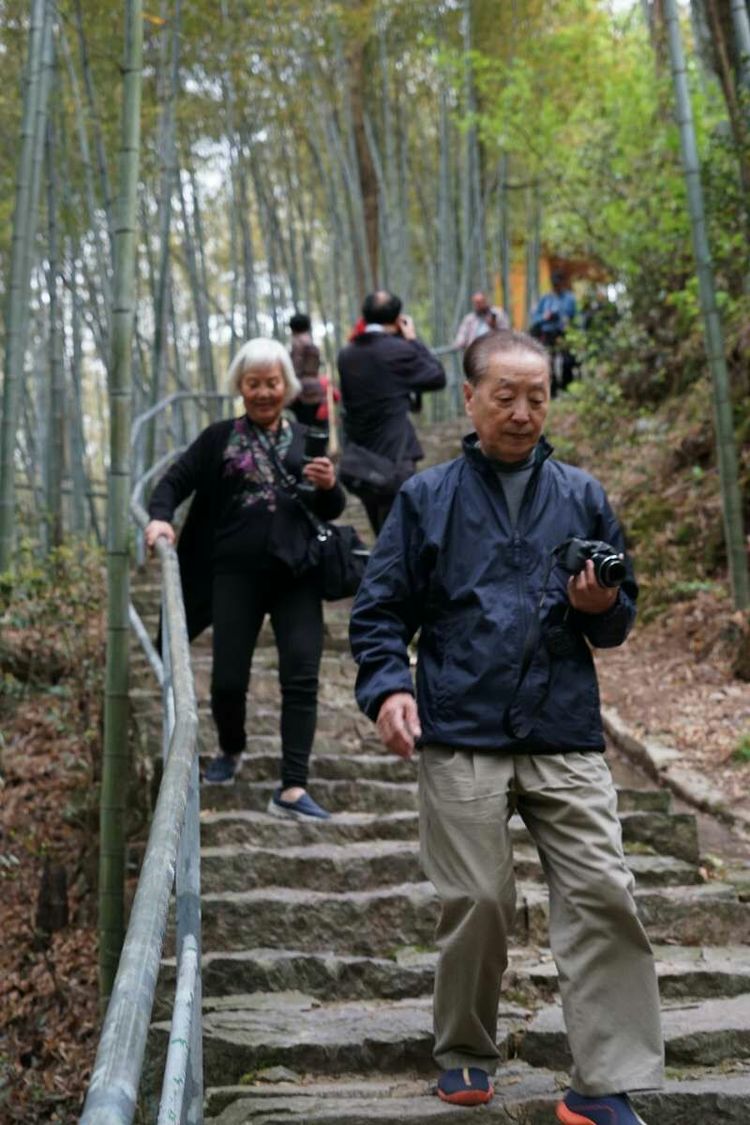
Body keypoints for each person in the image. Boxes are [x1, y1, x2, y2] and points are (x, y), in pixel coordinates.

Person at [349, 330, 663, 1123]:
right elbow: (379, 608)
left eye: (538, 397)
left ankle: (603, 1081)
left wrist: (603, 607)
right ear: (470, 397)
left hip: (562, 728)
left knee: (602, 890)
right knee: (480, 899)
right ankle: (463, 1047)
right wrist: (389, 689)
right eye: (507, 396)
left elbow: (617, 620)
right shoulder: (428, 498)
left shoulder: (583, 493)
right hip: (459, 730)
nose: (524, 413)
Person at [145, 337, 346, 819]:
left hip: (296, 574)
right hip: (233, 573)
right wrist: (160, 517)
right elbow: (174, 480)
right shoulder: (219, 437)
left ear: (288, 386)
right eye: (253, 383)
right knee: (229, 681)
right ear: (239, 386)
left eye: (272, 383)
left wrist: (330, 486)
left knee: (302, 675)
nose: (263, 392)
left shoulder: (304, 439)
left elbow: (331, 510)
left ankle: (293, 787)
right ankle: (231, 748)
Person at [337, 290, 446, 536]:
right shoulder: (397, 350)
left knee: (382, 535)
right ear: (398, 318)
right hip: (394, 458)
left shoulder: (346, 355)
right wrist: (412, 340)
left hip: (360, 460)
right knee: (401, 536)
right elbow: (436, 376)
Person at [530, 269, 578, 392]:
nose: (556, 286)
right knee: (548, 362)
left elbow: (576, 317)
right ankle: (552, 388)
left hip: (564, 334)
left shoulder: (570, 299)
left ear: (562, 283)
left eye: (558, 283)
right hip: (547, 334)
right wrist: (545, 317)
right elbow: (535, 318)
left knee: (567, 361)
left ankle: (567, 387)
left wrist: (569, 323)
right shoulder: (545, 299)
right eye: (554, 284)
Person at [288, 312, 325, 428]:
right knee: (314, 425)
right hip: (315, 389)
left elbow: (296, 368)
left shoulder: (297, 344)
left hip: (301, 392)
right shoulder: (310, 342)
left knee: (304, 427)